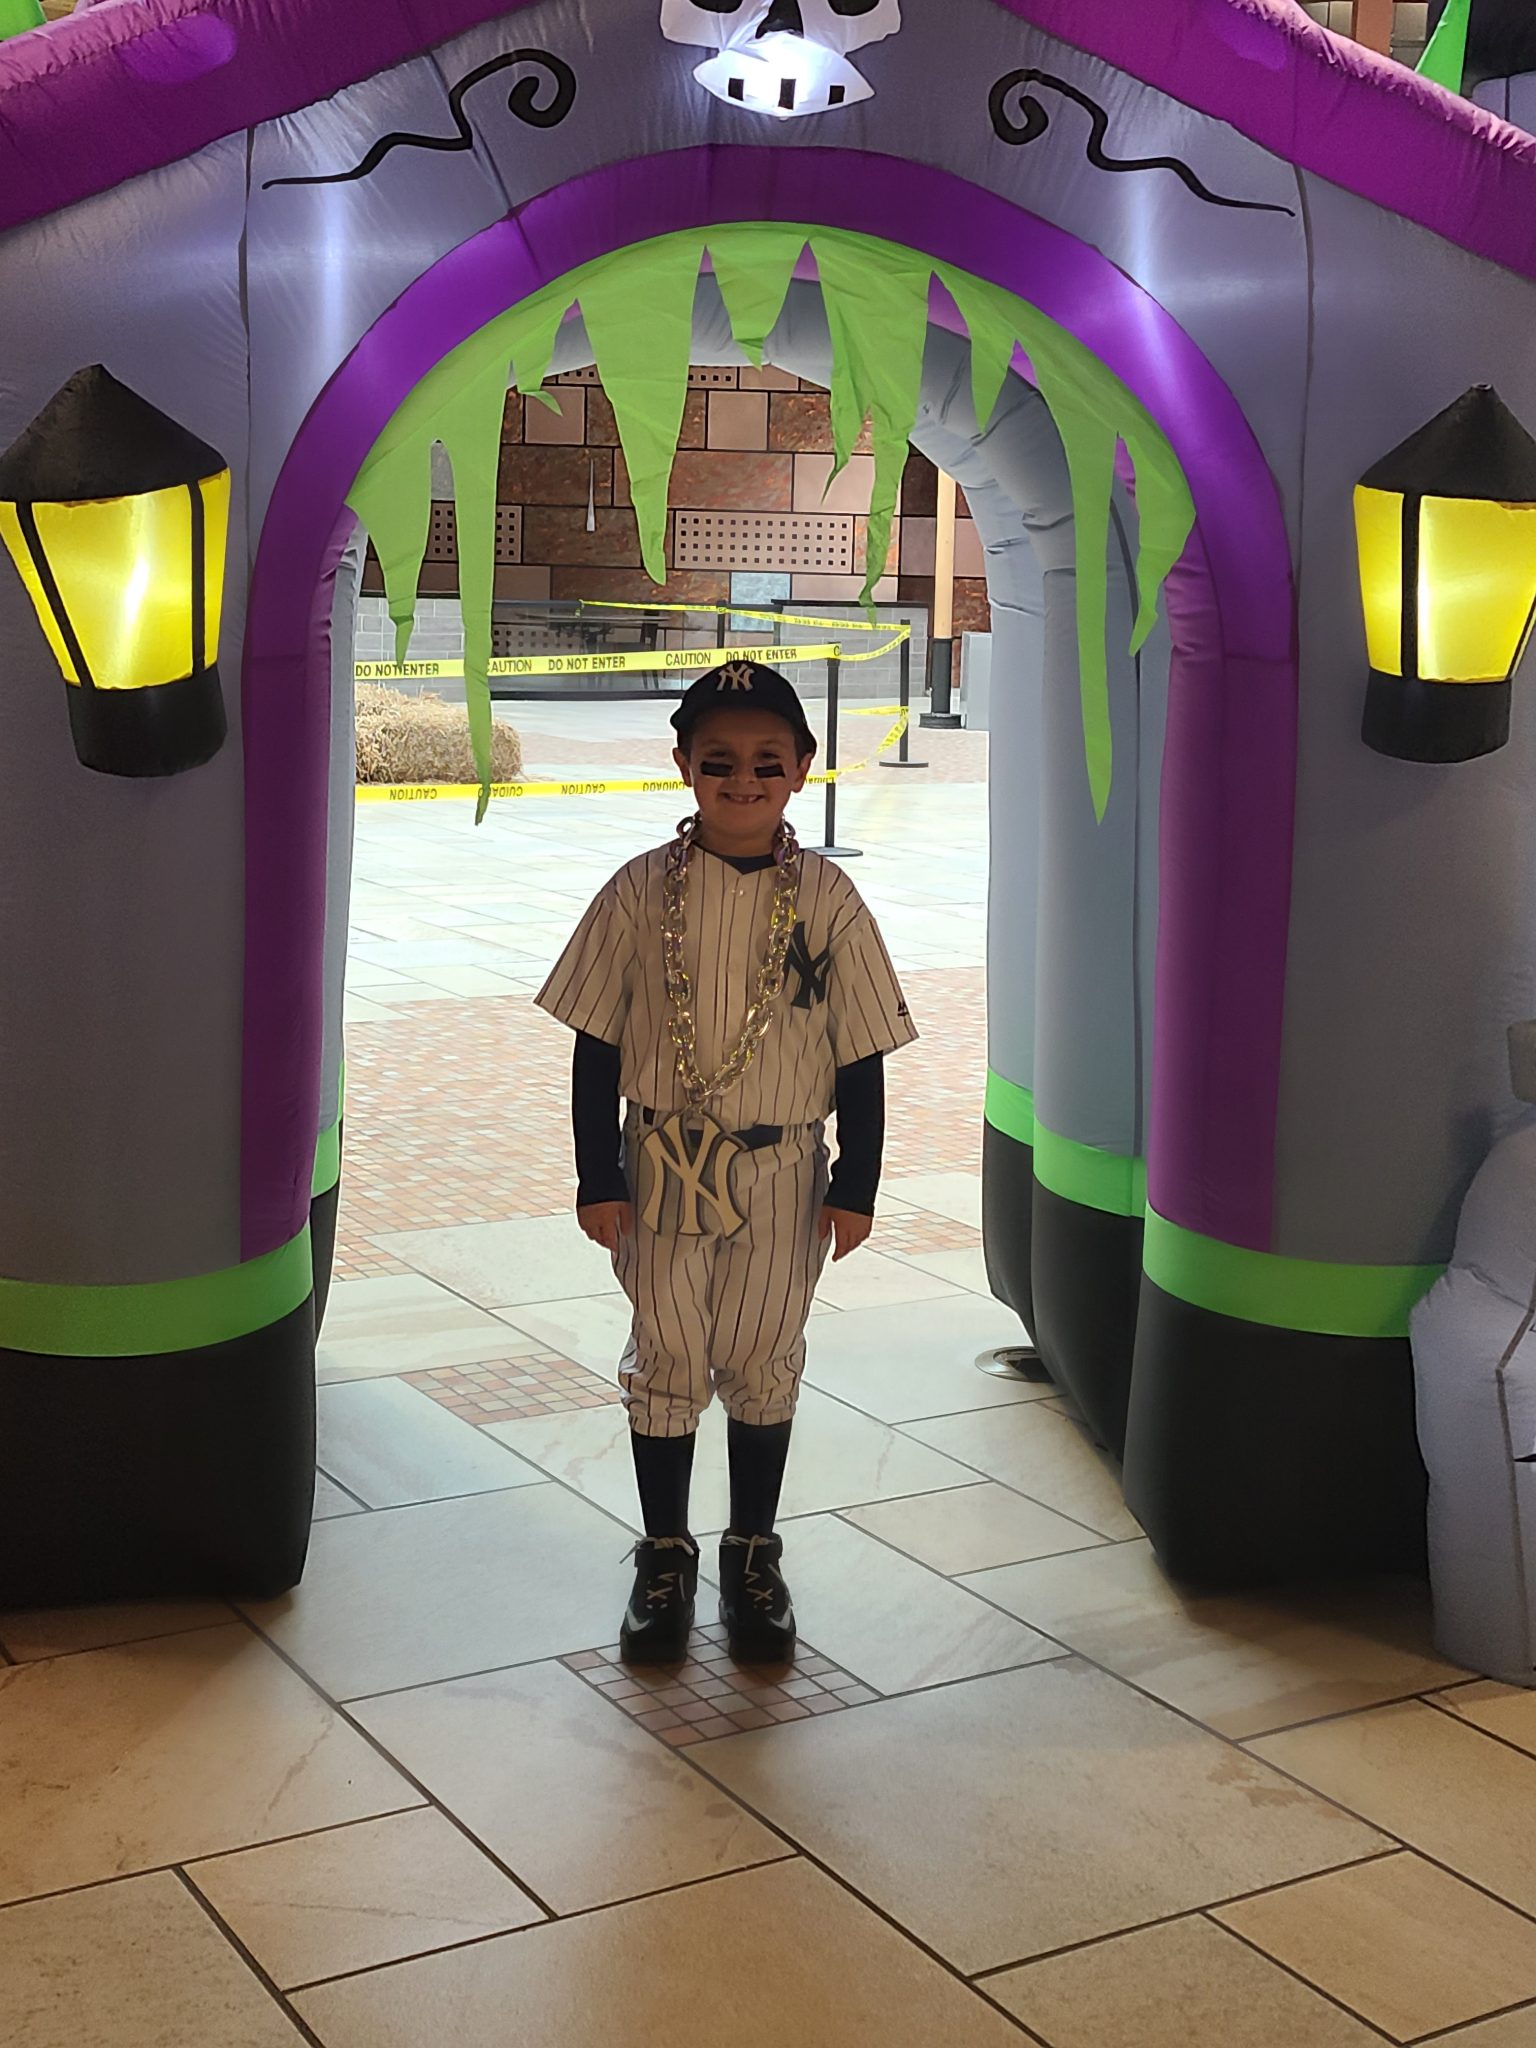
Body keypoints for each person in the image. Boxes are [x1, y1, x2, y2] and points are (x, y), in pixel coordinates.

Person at [537, 658, 916, 1666]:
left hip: (783, 1164)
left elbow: (861, 1048)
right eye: (718, 761)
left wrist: (858, 1182)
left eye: (765, 761)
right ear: (683, 767)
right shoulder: (638, 891)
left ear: (802, 765)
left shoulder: (828, 899)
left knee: (762, 1348)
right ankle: (665, 1555)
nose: (742, 780)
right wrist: (596, 1173)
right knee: (666, 1348)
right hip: (661, 1157)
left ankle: (753, 1551)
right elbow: (595, 1039)